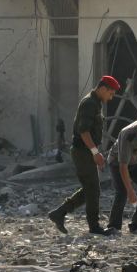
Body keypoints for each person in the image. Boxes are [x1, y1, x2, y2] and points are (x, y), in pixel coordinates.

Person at [47, 75, 122, 235]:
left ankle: (60, 213)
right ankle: (94, 227)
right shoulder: (89, 103)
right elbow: (84, 131)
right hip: (83, 151)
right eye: (110, 93)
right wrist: (95, 153)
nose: (111, 98)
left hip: (87, 151)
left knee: (90, 188)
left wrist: (96, 152)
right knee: (93, 189)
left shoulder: (96, 103)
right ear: (103, 88)